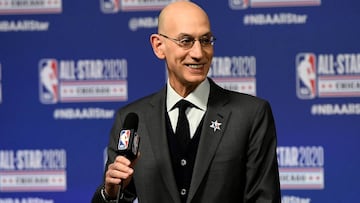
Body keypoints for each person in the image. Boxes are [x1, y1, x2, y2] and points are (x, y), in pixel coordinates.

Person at [92, 1, 281, 203]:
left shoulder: (250, 115)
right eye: (186, 41)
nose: (199, 53)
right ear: (158, 46)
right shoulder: (132, 119)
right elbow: (118, 193)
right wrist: (109, 193)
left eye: (206, 40)